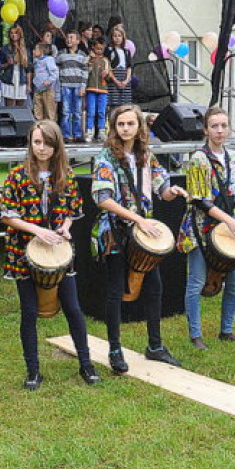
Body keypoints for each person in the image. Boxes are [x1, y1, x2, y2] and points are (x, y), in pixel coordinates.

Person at [0, 120, 100, 389]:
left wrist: (65, 228)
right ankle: (33, 370)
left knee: (74, 308)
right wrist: (37, 231)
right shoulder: (17, 176)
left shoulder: (65, 174)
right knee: (29, 312)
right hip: (23, 252)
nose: (42, 148)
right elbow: (7, 216)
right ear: (30, 144)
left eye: (47, 143)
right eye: (37, 142)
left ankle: (86, 364)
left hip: (58, 252)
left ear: (57, 145)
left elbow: (72, 210)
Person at [91, 104, 188, 371]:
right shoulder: (105, 158)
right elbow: (103, 199)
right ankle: (114, 349)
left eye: (130, 124)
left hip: (142, 231)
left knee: (154, 287)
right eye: (120, 124)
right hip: (115, 230)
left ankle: (154, 346)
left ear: (139, 126)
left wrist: (173, 191)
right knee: (115, 291)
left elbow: (162, 188)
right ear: (114, 127)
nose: (125, 129)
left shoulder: (147, 155)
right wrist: (139, 220)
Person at [177, 107, 235, 349]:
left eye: (224, 125)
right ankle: (195, 335)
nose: (220, 131)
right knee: (197, 281)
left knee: (234, 282)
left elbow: (233, 192)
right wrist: (229, 219)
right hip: (200, 229)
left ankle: (227, 331)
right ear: (206, 130)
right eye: (214, 126)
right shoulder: (198, 159)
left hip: (226, 228)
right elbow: (201, 200)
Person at [56, 31, 88, 141]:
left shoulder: (82, 55)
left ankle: (77, 134)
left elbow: (85, 71)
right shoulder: (61, 54)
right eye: (67, 37)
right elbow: (56, 68)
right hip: (65, 85)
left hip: (78, 86)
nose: (69, 39)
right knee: (65, 111)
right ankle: (65, 135)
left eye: (71, 37)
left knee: (77, 112)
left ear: (78, 41)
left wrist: (83, 87)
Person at [84, 39, 111, 143]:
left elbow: (109, 76)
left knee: (101, 111)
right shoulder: (90, 59)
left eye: (101, 49)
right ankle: (89, 131)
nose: (99, 51)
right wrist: (90, 60)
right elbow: (86, 71)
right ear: (93, 48)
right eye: (97, 48)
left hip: (103, 89)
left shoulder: (106, 61)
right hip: (91, 88)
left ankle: (101, 131)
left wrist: (107, 74)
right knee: (91, 111)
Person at [105, 25, 136, 108]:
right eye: (115, 36)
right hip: (114, 78)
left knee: (125, 103)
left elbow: (129, 67)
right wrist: (115, 80)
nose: (117, 38)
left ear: (123, 37)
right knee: (114, 103)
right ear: (111, 37)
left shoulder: (126, 51)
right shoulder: (109, 50)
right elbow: (108, 66)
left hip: (124, 78)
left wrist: (126, 80)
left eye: (119, 36)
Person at [0, 25, 30, 108]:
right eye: (11, 33)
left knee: (20, 108)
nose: (13, 35)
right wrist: (7, 64)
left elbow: (28, 69)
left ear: (20, 34)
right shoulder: (6, 48)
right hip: (9, 79)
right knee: (9, 107)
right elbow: (0, 66)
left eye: (16, 33)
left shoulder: (25, 50)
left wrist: (28, 84)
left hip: (21, 79)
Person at [31, 43, 59, 122]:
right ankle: (39, 129)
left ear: (42, 51)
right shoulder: (36, 61)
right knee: (37, 111)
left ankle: (51, 131)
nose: (33, 51)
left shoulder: (49, 59)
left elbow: (55, 73)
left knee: (49, 112)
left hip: (48, 90)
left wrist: (49, 80)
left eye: (35, 49)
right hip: (38, 89)